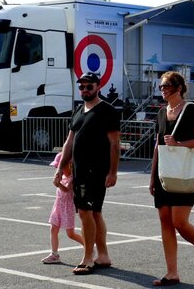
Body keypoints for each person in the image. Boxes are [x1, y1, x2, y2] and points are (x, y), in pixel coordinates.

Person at [149, 71, 194, 286]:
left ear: (178, 88)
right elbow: (158, 147)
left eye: (167, 86)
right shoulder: (161, 113)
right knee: (165, 222)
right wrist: (152, 176)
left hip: (184, 173)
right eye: (161, 86)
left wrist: (179, 144)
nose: (163, 89)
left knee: (179, 221)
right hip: (164, 174)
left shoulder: (190, 109)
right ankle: (171, 272)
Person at [54, 71, 120, 275]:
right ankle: (103, 256)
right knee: (95, 212)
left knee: (85, 213)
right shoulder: (78, 111)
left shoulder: (106, 111)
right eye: (81, 86)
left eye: (88, 86)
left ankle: (87, 258)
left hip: (96, 170)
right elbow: (69, 142)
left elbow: (115, 144)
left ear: (97, 86)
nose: (84, 89)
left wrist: (113, 172)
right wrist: (59, 170)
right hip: (80, 171)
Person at [42, 152, 84, 264]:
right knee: (53, 228)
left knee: (70, 233)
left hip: (67, 208)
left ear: (69, 165)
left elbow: (66, 190)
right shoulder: (64, 176)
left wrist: (58, 184)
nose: (57, 169)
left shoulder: (72, 178)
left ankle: (88, 246)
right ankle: (54, 254)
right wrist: (59, 181)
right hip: (58, 206)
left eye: (59, 166)